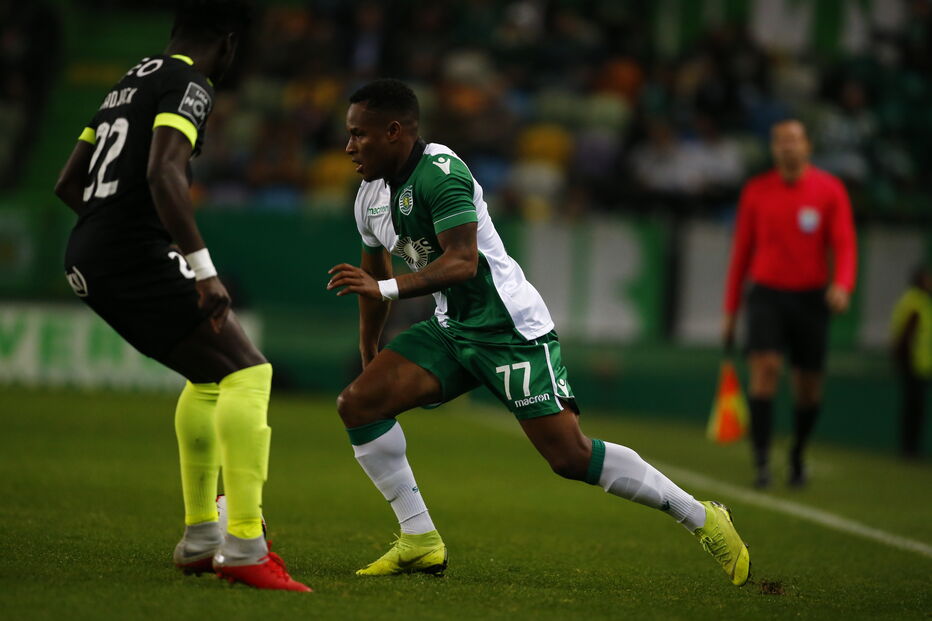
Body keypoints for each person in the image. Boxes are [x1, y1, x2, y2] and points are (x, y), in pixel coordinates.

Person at [327, 79, 750, 586]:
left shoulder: (443, 174)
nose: (349, 147)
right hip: (451, 328)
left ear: (393, 132)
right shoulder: (369, 197)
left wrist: (388, 289)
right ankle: (419, 538)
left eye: (359, 135)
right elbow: (372, 281)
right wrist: (370, 350)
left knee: (569, 457)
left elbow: (462, 262)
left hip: (509, 329)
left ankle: (701, 516)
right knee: (358, 403)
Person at [53, 0, 309, 592]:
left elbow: (69, 182)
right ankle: (245, 544)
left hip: (85, 249)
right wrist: (202, 269)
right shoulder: (191, 83)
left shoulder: (129, 81)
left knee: (210, 376)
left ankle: (200, 540)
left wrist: (105, 237)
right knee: (251, 372)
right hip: (126, 251)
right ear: (227, 42)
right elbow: (165, 171)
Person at [722, 119, 857, 489]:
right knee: (765, 367)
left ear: (807, 146)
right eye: (781, 140)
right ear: (773, 148)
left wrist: (842, 285)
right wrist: (731, 310)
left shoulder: (829, 190)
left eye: (795, 139)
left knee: (809, 384)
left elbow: (844, 243)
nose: (788, 146)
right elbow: (741, 253)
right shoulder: (757, 191)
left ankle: (797, 454)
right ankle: (762, 461)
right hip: (766, 294)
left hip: (811, 298)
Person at [890, 266, 932, 459]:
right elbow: (907, 333)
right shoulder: (916, 301)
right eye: (927, 279)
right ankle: (909, 449)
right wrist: (901, 358)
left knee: (914, 408)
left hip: (919, 364)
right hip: (913, 363)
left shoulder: (915, 300)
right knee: (914, 408)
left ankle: (910, 447)